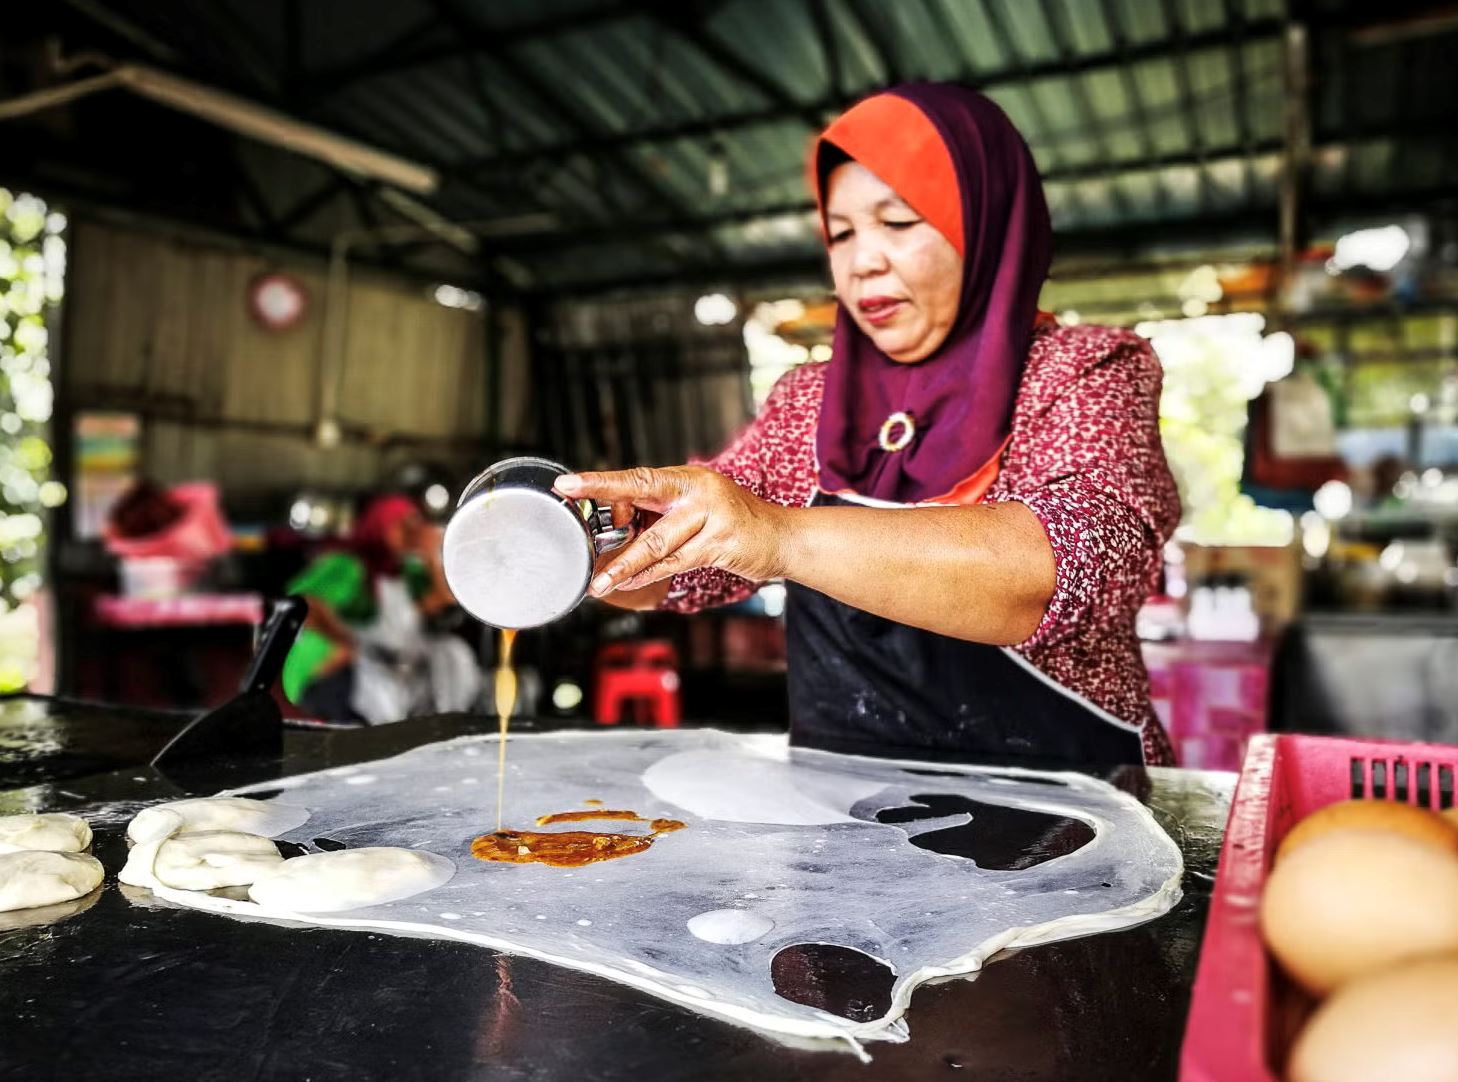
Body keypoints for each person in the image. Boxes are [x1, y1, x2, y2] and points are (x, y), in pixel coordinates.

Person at [555, 84, 1181, 767]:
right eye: (843, 233)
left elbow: (1067, 572)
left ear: (988, 225)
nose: (863, 261)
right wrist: (601, 545)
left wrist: (781, 535)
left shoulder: (1084, 372)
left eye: (900, 222)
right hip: (854, 822)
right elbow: (690, 571)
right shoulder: (808, 401)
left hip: (1071, 814)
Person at [283, 493, 482, 723]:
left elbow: (445, 600)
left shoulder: (405, 572)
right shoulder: (351, 564)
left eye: (416, 523)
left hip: (385, 667)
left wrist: (430, 555)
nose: (410, 531)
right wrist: (344, 642)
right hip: (326, 674)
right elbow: (303, 603)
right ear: (380, 525)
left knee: (451, 653)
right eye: (402, 524)